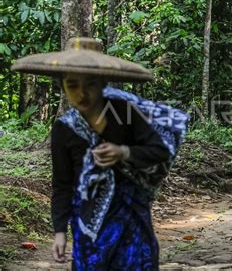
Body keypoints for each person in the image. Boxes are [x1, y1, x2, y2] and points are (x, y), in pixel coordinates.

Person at [12, 37, 188, 269]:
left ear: (103, 83)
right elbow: (62, 184)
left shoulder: (125, 112)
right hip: (88, 227)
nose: (81, 93)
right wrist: (59, 232)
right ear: (63, 85)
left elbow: (160, 151)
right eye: (72, 85)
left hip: (131, 220)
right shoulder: (64, 128)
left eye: (91, 84)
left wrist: (124, 152)